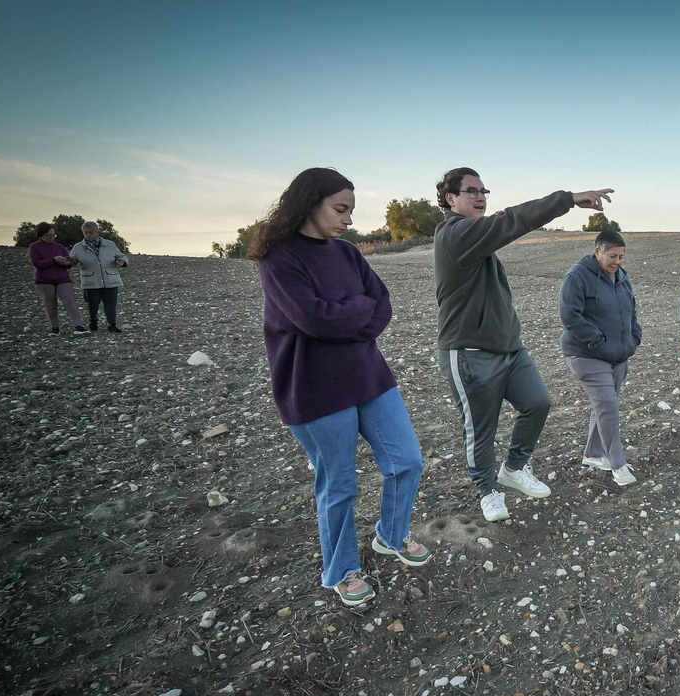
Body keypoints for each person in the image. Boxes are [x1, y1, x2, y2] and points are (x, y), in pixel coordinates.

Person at [253, 167, 430, 607]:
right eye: (340, 209)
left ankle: (391, 536)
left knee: (407, 460)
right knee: (339, 485)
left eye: (350, 211)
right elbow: (311, 318)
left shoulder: (348, 254)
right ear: (310, 203)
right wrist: (353, 313)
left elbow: (381, 307)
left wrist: (341, 316)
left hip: (368, 375)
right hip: (313, 386)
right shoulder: (279, 257)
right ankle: (341, 569)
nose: (348, 221)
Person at [433, 166, 614, 522]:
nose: (481, 197)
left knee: (538, 402)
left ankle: (513, 468)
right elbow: (510, 221)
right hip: (468, 352)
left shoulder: (474, 237)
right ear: (451, 198)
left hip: (509, 348)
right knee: (481, 429)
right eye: (472, 191)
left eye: (484, 191)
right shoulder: (454, 234)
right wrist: (566, 200)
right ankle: (487, 490)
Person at [559, 229, 642, 486]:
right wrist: (599, 342)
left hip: (618, 354)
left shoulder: (621, 276)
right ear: (597, 251)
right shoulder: (578, 276)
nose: (617, 262)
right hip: (585, 354)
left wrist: (633, 337)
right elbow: (570, 315)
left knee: (604, 405)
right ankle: (617, 464)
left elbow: (631, 310)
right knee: (608, 406)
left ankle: (592, 454)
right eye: (612, 256)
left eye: (621, 257)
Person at [68, 221, 131, 332]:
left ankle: (112, 324)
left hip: (110, 279)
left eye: (91, 232)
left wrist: (122, 261)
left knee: (111, 304)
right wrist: (67, 263)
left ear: (97, 232)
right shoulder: (78, 247)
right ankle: (93, 319)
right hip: (90, 281)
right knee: (92, 303)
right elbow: (71, 260)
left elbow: (121, 255)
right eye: (85, 233)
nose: (88, 235)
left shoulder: (110, 244)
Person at [28, 223, 89, 335]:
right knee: (50, 303)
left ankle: (78, 326)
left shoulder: (60, 247)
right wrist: (53, 260)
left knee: (69, 301)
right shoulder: (34, 247)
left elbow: (69, 261)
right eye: (48, 235)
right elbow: (36, 263)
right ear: (41, 235)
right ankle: (54, 328)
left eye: (53, 235)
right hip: (44, 280)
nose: (51, 238)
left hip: (63, 278)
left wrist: (67, 263)